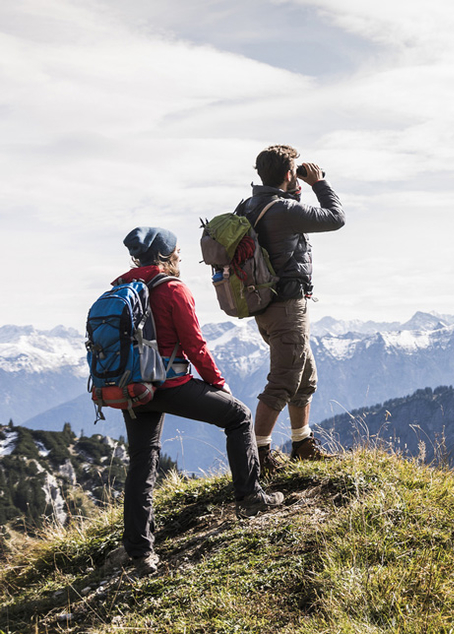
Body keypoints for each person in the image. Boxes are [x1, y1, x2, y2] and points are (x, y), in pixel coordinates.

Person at [110, 227, 283, 575]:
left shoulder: (120, 288)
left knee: (142, 461)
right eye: (176, 251)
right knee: (238, 417)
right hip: (171, 384)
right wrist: (219, 384)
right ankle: (250, 498)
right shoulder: (172, 289)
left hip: (134, 389)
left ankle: (139, 551)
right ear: (164, 256)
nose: (179, 256)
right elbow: (195, 345)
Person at [241, 145, 345, 473]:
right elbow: (335, 219)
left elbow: (281, 232)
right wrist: (319, 184)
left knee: (304, 377)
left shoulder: (249, 205)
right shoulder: (282, 209)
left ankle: (301, 444)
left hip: (265, 304)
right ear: (288, 174)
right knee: (284, 381)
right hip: (286, 306)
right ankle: (258, 456)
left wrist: (294, 192)